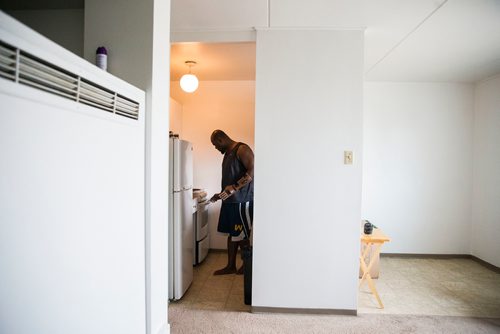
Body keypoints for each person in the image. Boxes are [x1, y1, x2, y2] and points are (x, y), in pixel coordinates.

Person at [209, 130, 254, 275]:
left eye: (216, 145)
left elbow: (253, 170)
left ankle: (247, 266)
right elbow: (230, 182)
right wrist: (220, 195)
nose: (216, 148)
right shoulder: (228, 153)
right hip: (230, 201)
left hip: (242, 201)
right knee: (232, 233)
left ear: (221, 140)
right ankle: (231, 266)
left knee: (242, 233)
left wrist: (235, 187)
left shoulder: (242, 149)